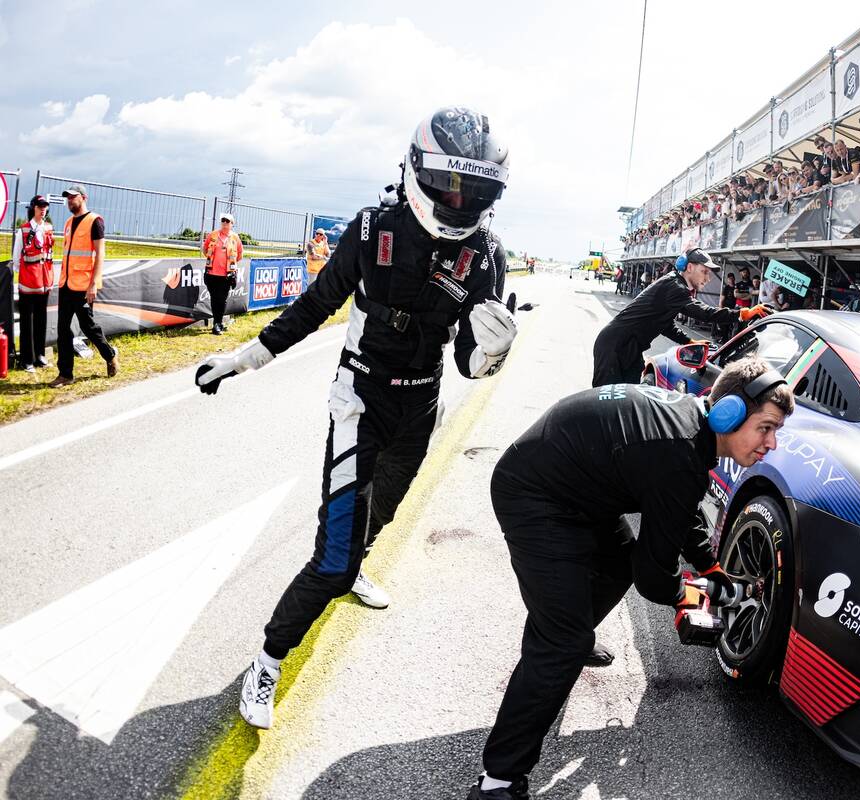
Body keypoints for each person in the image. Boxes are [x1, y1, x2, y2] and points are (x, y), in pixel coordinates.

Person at [195, 107, 518, 730]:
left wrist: (492, 353)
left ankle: (353, 567)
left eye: (474, 191)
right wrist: (242, 359)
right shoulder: (372, 229)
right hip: (360, 403)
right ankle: (268, 659)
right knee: (333, 560)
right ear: (418, 171)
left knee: (381, 516)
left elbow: (466, 362)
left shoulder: (485, 254)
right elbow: (314, 305)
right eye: (450, 185)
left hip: (422, 407)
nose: (459, 201)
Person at [468, 358, 795, 800]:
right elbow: (653, 579)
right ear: (729, 414)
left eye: (776, 431)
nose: (771, 443)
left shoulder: (691, 431)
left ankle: (574, 633)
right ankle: (498, 781)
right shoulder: (679, 452)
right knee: (560, 641)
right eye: (766, 428)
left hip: (578, 487)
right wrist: (690, 592)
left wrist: (711, 569)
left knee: (617, 562)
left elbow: (680, 512)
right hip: (535, 494)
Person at [591, 249, 768, 386]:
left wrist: (689, 341)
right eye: (704, 271)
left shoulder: (673, 284)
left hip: (628, 347)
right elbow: (705, 313)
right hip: (614, 346)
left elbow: (666, 325)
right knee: (605, 401)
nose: (708, 278)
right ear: (690, 267)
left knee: (626, 399)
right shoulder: (675, 286)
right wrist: (742, 314)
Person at [50, 185, 118, 388]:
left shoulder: (95, 221)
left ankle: (110, 355)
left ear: (83, 198)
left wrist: (93, 284)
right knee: (63, 330)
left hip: (84, 285)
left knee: (88, 327)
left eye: (73, 197)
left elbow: (100, 254)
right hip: (66, 284)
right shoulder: (68, 222)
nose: (70, 200)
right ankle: (65, 374)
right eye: (68, 198)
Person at [16, 195, 54, 371]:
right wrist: (26, 274)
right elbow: (17, 258)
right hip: (28, 283)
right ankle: (27, 360)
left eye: (45, 206)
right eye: (40, 206)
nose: (43, 209)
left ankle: (39, 355)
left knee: (41, 319)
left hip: (44, 282)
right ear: (33, 208)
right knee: (27, 321)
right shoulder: (23, 230)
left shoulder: (48, 228)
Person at [201, 213, 244, 335]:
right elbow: (205, 250)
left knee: (222, 300)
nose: (225, 223)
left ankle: (217, 323)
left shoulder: (235, 238)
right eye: (223, 221)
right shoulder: (213, 235)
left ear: (232, 224)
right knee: (215, 299)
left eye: (227, 221)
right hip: (211, 274)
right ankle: (217, 323)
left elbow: (240, 255)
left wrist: (231, 265)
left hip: (227, 275)